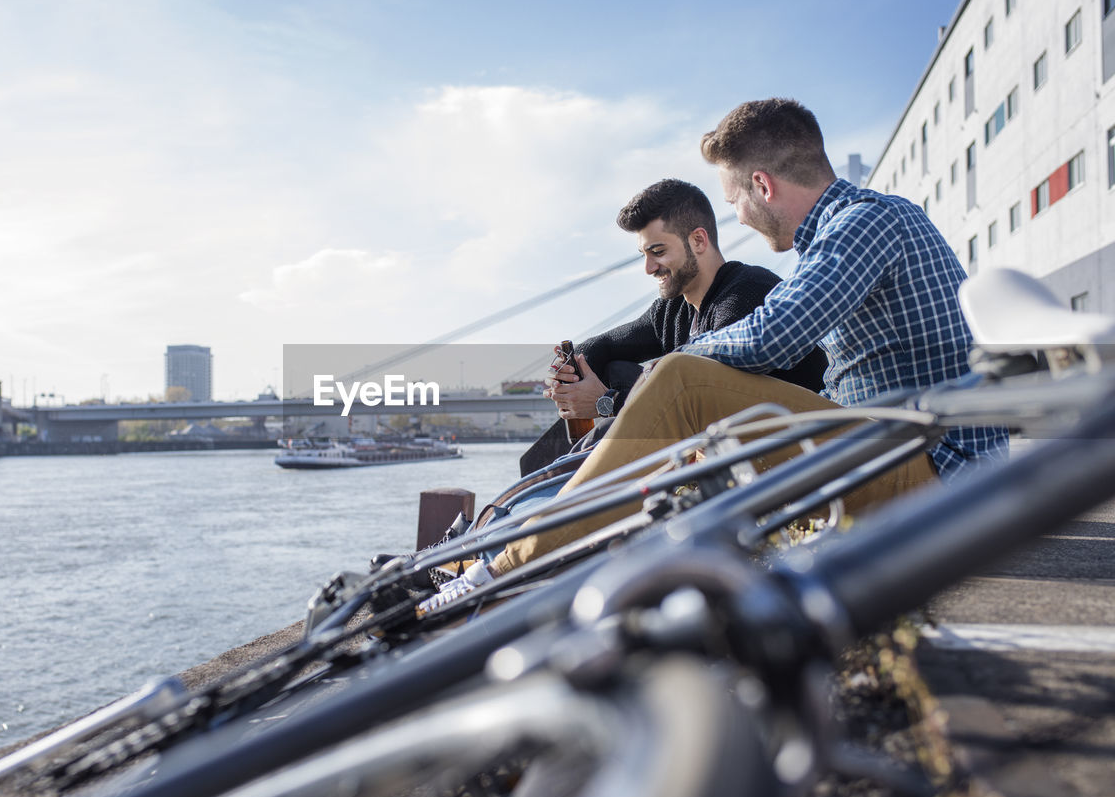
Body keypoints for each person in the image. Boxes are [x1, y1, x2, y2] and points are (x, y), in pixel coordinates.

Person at [430, 98, 1006, 598]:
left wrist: (653, 377)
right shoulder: (851, 232)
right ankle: (553, 563)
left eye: (733, 201)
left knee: (683, 379)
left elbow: (771, 335)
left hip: (942, 475)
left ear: (762, 185)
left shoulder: (863, 224)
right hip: (904, 456)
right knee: (695, 430)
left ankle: (503, 569)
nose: (739, 217)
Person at [518, 179, 827, 475]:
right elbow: (602, 347)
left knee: (644, 386)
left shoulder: (748, 293)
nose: (649, 268)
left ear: (698, 240)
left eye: (658, 252)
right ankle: (539, 493)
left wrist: (605, 403)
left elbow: (697, 401)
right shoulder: (672, 308)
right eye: (644, 255)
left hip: (790, 456)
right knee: (615, 368)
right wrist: (568, 374)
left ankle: (557, 502)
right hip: (724, 453)